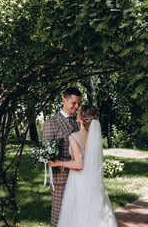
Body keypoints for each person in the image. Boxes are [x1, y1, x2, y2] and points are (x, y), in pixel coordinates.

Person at [49, 105, 118, 227]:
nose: (77, 113)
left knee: (78, 214)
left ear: (82, 117)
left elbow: (79, 164)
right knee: (93, 213)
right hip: (93, 180)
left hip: (78, 180)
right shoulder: (95, 138)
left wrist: (58, 163)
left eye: (79, 111)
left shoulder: (74, 136)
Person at [42, 87, 81, 227]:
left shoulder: (78, 123)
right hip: (61, 179)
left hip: (78, 178)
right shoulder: (51, 123)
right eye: (73, 103)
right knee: (59, 216)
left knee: (75, 215)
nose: (76, 107)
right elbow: (47, 157)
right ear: (64, 100)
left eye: (78, 104)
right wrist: (70, 163)